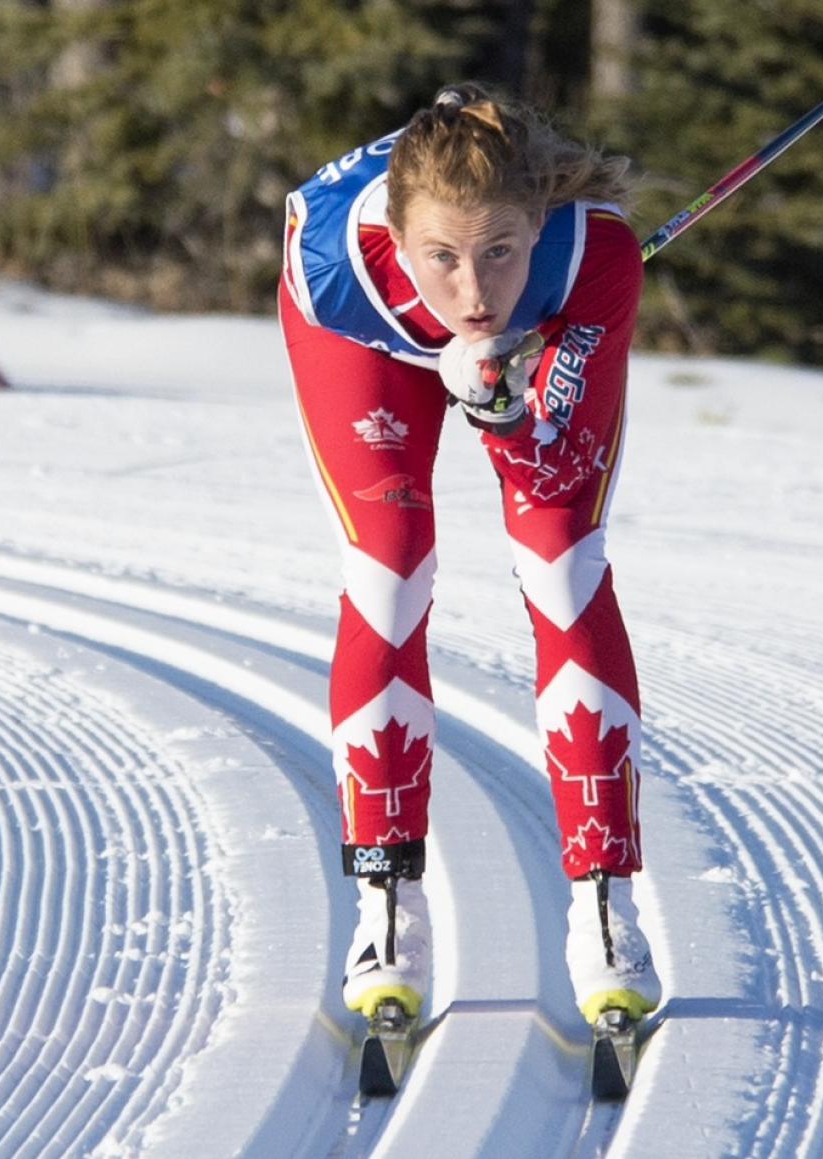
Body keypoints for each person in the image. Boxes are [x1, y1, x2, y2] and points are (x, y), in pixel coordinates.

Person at [278, 83, 662, 1030]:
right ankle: (386, 910)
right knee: (390, 565)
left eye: (499, 250)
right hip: (366, 338)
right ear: (401, 240)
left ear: (536, 221)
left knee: (562, 560)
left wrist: (506, 403)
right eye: (442, 257)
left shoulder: (589, 255)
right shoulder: (338, 268)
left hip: (529, 344)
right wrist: (440, 351)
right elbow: (409, 300)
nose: (474, 289)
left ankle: (606, 907)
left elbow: (560, 461)